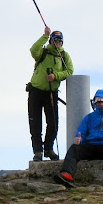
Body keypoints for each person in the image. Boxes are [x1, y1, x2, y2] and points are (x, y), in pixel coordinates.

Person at [27, 26, 74, 161]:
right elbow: (33, 49)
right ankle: (37, 151)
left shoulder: (64, 56)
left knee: (53, 123)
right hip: (35, 91)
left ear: (62, 42)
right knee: (35, 123)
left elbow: (70, 71)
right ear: (50, 41)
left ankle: (48, 149)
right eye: (54, 40)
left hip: (51, 93)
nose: (57, 42)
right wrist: (45, 36)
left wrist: (56, 76)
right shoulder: (43, 52)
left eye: (59, 40)